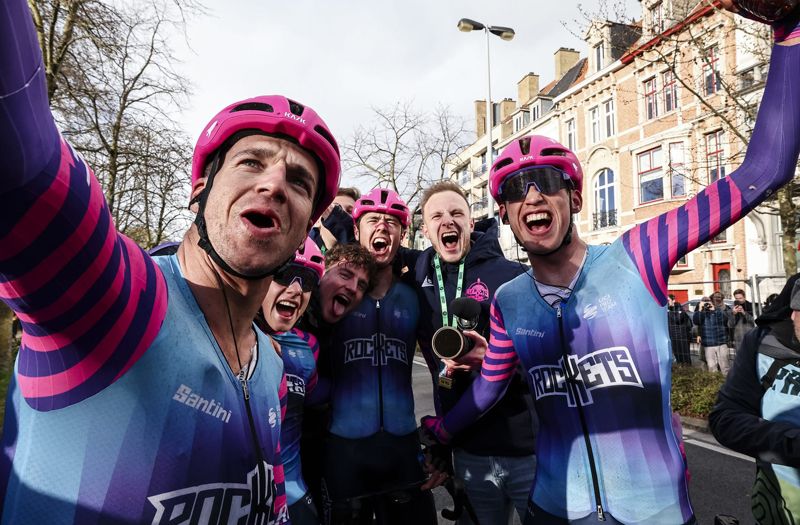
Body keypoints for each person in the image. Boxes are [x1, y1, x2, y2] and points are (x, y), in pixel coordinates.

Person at [421, 5, 800, 522]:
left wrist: (789, 32)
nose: (533, 195)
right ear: (506, 216)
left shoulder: (641, 252)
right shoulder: (510, 302)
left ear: (575, 199)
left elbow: (766, 168)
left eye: (549, 182)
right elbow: (487, 388)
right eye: (515, 189)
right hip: (554, 510)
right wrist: (436, 432)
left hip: (655, 513)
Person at [0, 0, 341, 521]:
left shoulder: (272, 365)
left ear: (302, 229)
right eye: (252, 162)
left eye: (299, 182)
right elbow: (27, 167)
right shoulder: (117, 299)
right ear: (199, 190)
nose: (274, 184)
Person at [415, 180, 537, 525]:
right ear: (425, 229)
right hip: (467, 450)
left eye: (456, 212)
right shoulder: (419, 275)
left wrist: (497, 363)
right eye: (437, 215)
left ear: (471, 222)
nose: (447, 220)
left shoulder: (512, 276)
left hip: (523, 449)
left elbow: (543, 358)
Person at [321, 188, 437, 524]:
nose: (383, 227)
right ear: (357, 231)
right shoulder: (334, 290)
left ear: (403, 235)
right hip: (344, 451)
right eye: (373, 220)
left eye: (392, 222)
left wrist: (441, 444)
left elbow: (438, 369)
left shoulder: (415, 296)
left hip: (402, 450)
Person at [709, 273, 800, 524]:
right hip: (779, 513)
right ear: (792, 310)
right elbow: (725, 419)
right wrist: (790, 442)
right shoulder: (764, 343)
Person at [257, 238, 327, 525]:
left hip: (294, 495)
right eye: (284, 274)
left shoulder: (309, 345)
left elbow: (312, 404)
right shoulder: (224, 333)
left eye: (308, 280)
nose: (296, 289)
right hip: (244, 501)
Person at [694, 291, 734, 375]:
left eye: (708, 301)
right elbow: (696, 321)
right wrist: (700, 309)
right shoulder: (700, 312)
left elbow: (724, 320)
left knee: (725, 366)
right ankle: (714, 384)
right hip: (708, 344)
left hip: (721, 342)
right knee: (711, 367)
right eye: (705, 302)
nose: (707, 304)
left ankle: (726, 383)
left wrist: (714, 309)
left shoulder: (718, 310)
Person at [310, 187, 361, 254]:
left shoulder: (367, 257)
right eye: (335, 208)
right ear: (317, 221)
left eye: (350, 211)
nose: (343, 214)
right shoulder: (297, 250)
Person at [668, 294, 693, 365]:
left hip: (682, 337)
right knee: (677, 355)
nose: (667, 302)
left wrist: (669, 311)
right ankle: (681, 369)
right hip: (673, 336)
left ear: (673, 300)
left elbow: (677, 319)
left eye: (668, 300)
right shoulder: (667, 310)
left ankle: (688, 370)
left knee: (685, 356)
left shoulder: (679, 308)